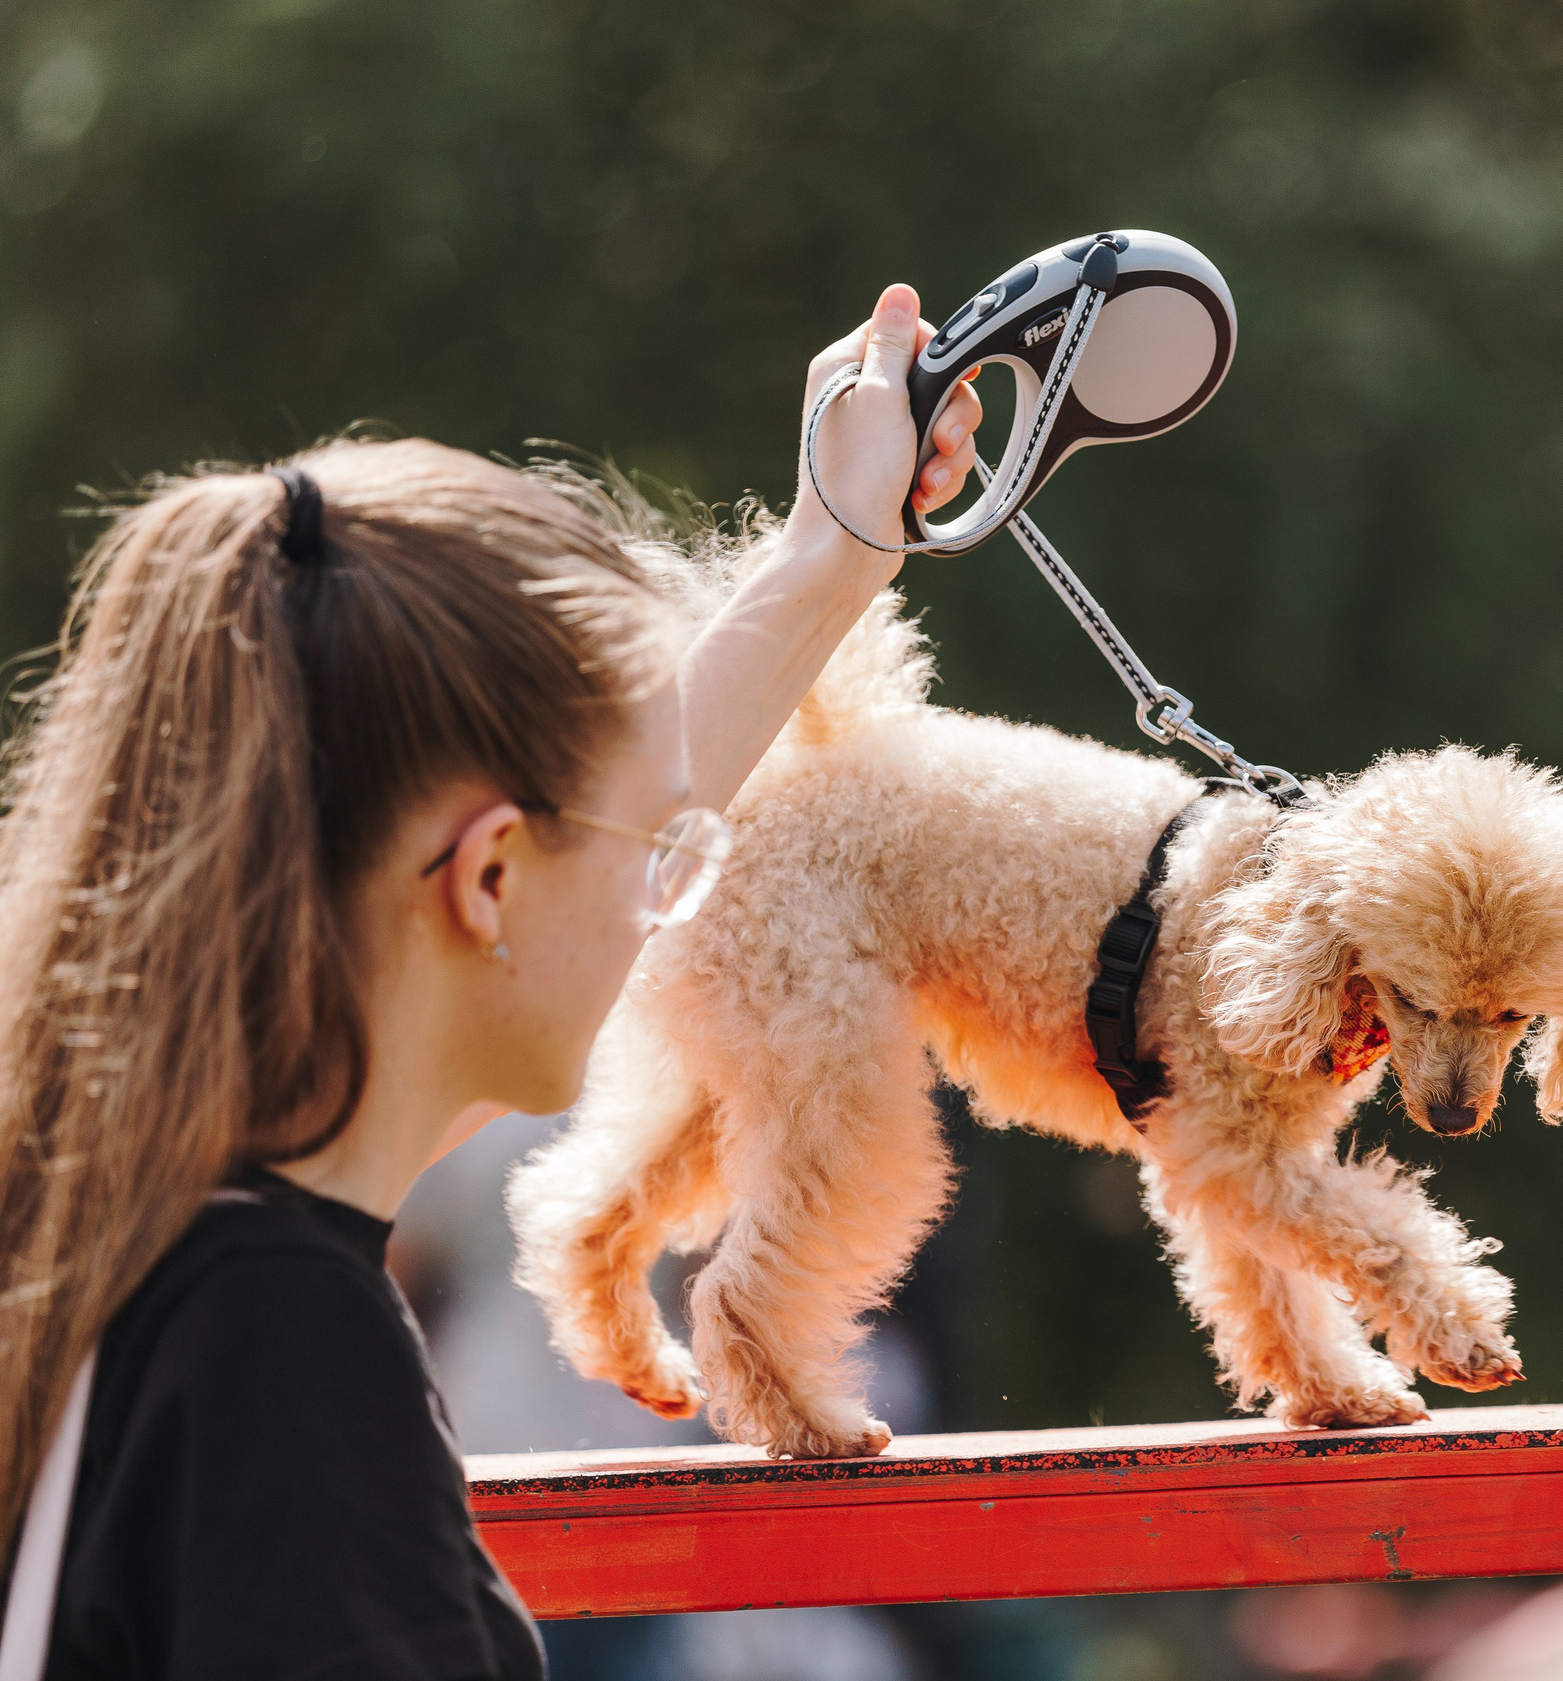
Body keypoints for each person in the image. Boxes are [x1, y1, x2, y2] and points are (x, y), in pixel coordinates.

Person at [0, 285, 981, 1679]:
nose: (672, 894)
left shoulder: (136, 1220)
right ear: (487, 882)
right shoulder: (282, 1354)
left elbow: (623, 801)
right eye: (666, 855)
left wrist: (835, 549)